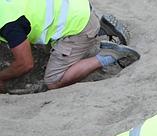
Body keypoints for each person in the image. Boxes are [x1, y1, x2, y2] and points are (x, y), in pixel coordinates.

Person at [0, 0, 139, 93]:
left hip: (77, 27)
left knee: (53, 81)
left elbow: (25, 64)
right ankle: (99, 29)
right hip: (75, 7)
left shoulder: (8, 24)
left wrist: (2, 77)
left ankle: (108, 55)